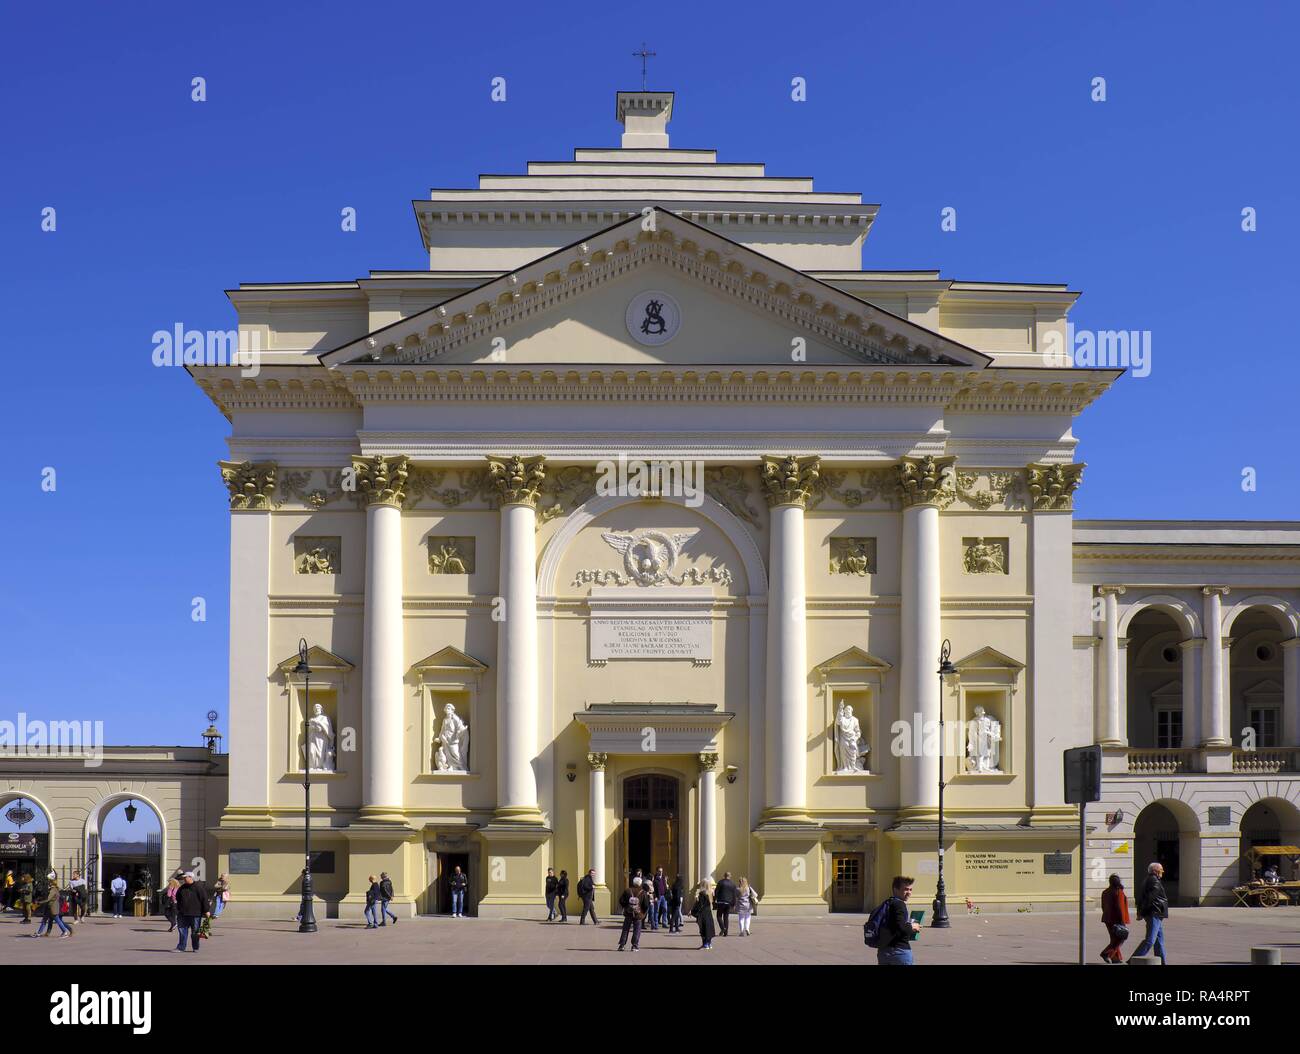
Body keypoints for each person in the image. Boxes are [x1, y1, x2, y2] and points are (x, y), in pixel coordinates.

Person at [1129, 861, 1169, 964]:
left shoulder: (1149, 880)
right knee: (1150, 940)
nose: (1162, 872)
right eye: (1161, 870)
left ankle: (1162, 961)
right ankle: (1133, 959)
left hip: (1155, 913)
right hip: (1154, 913)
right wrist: (1141, 913)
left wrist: (1140, 912)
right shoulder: (1154, 881)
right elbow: (1149, 899)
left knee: (1159, 940)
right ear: (1155, 871)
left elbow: (1141, 898)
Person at [875, 875, 921, 965]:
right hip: (900, 951)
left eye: (911, 890)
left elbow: (893, 925)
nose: (909, 892)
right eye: (906, 889)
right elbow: (901, 927)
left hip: (884, 951)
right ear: (895, 889)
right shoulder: (899, 905)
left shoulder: (887, 903)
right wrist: (913, 927)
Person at [173, 872, 210, 952]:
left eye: (185, 877)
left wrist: (206, 910)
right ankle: (181, 947)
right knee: (182, 931)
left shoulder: (199, 888)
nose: (184, 879)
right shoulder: (182, 888)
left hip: (195, 913)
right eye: (184, 878)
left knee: (195, 932)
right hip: (183, 913)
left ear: (191, 877)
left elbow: (204, 899)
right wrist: (178, 909)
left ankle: (195, 947)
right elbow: (178, 898)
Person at [1099, 873, 1130, 964]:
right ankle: (1106, 953)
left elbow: (1103, 906)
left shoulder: (1105, 892)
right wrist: (1122, 922)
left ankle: (1115, 958)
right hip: (1117, 919)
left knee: (1114, 938)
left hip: (1107, 918)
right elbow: (1119, 907)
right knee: (1121, 938)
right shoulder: (1118, 892)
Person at [617, 876, 649, 952]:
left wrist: (626, 907)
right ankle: (634, 946)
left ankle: (622, 945)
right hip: (638, 914)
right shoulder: (643, 892)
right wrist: (643, 912)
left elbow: (621, 900)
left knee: (625, 929)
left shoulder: (627, 891)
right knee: (637, 930)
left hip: (628, 913)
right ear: (640, 883)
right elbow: (646, 905)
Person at [691, 881, 716, 950]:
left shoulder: (702, 893)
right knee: (709, 928)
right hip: (709, 912)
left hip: (703, 913)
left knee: (703, 928)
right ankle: (709, 943)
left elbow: (700, 904)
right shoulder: (711, 893)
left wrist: (693, 910)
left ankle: (705, 944)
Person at [713, 871, 737, 936]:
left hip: (721, 901)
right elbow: (734, 895)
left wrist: (715, 899)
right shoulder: (733, 884)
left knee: (719, 916)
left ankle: (723, 928)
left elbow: (716, 891)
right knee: (726, 917)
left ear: (724, 875)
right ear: (730, 876)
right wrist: (734, 904)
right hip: (728, 903)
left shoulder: (720, 882)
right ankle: (726, 933)